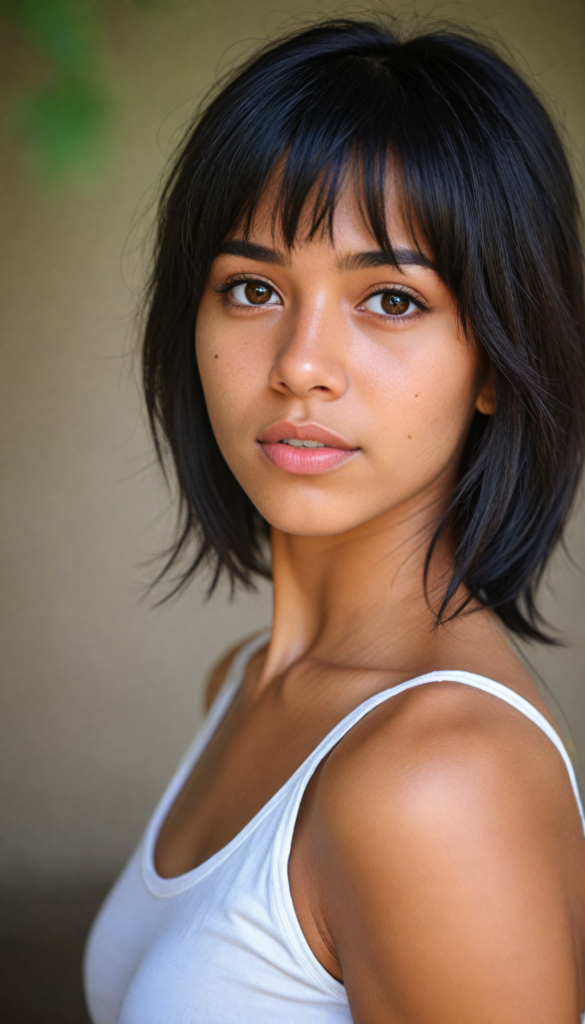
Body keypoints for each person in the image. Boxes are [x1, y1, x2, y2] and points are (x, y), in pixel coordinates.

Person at [83, 16, 585, 1024]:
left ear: (496, 358)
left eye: (391, 300)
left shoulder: (442, 773)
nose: (300, 362)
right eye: (253, 287)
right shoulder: (243, 682)